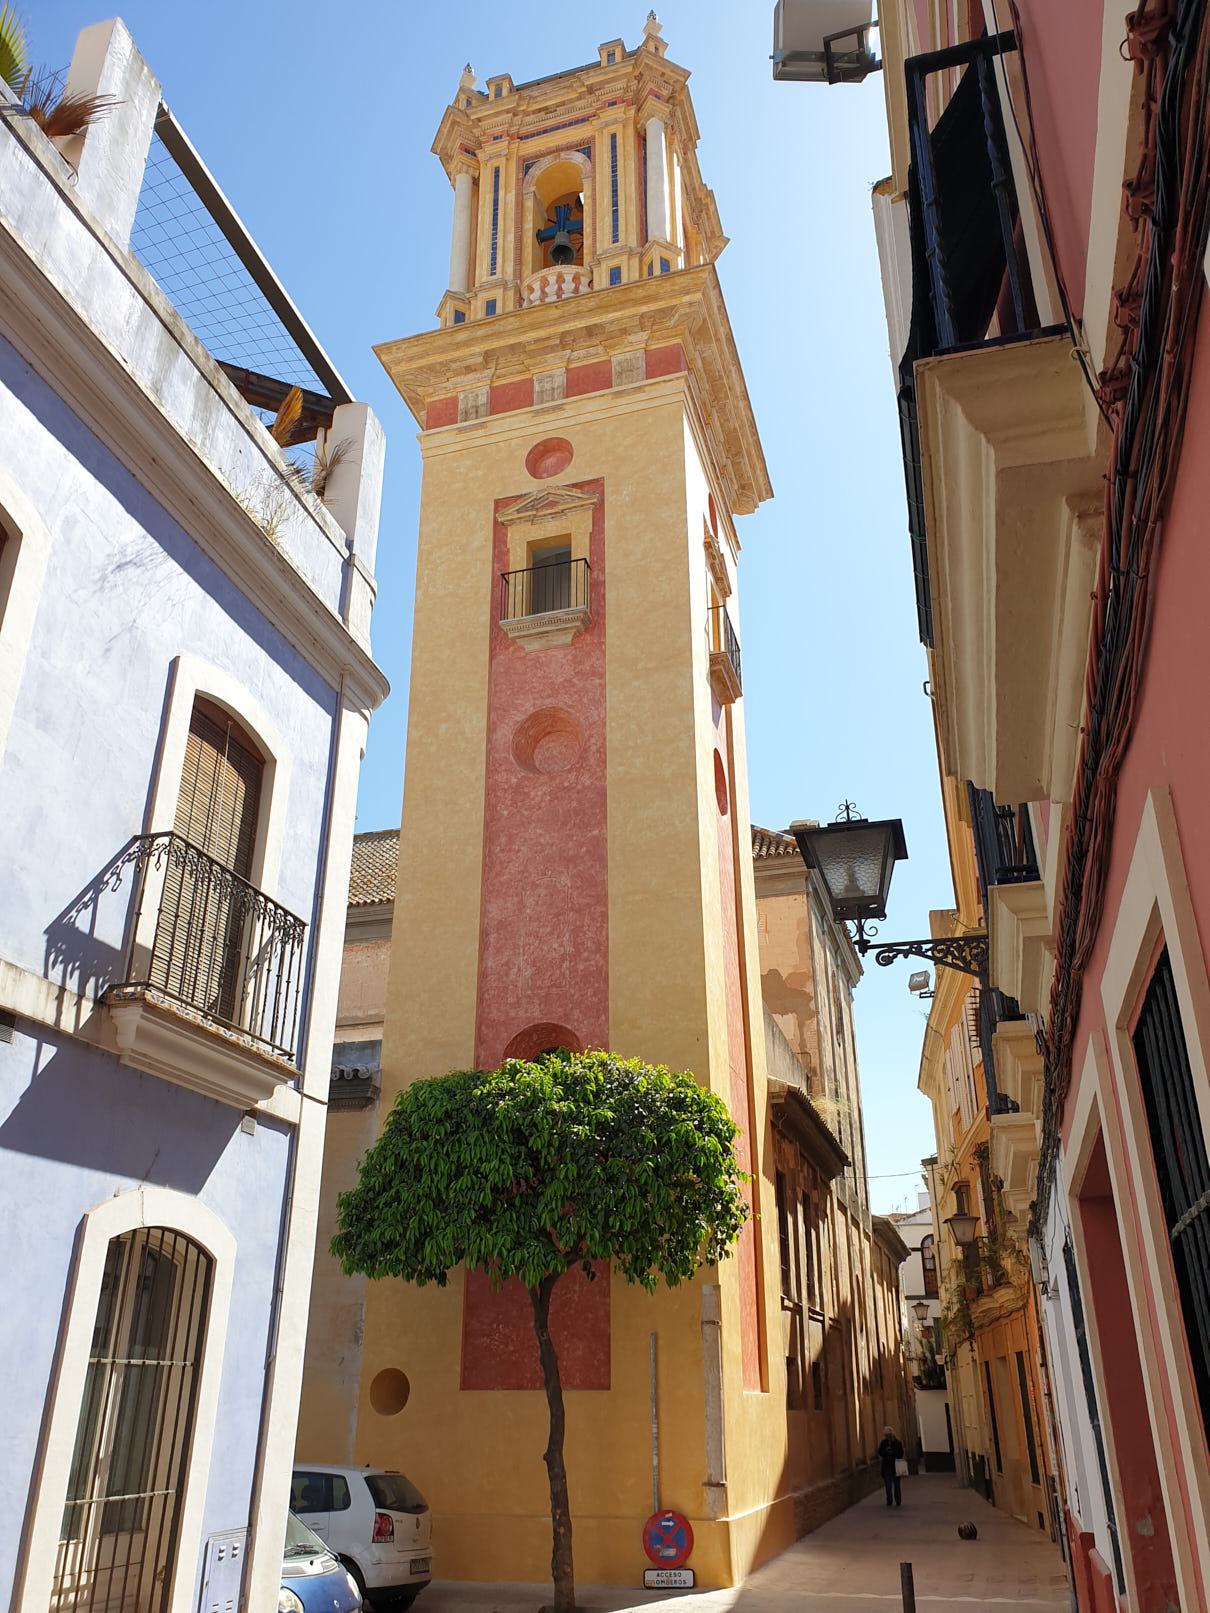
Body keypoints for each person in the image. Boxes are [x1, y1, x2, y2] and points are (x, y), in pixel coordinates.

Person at [878, 1425, 905, 1507]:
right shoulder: (883, 1442)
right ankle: (889, 1500)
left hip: (896, 1466)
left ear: (892, 1434)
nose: (887, 1437)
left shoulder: (898, 1443)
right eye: (886, 1435)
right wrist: (886, 1451)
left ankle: (898, 1500)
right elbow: (880, 1452)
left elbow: (901, 1454)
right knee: (888, 1484)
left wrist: (893, 1452)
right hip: (887, 1466)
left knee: (897, 1484)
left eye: (889, 1435)